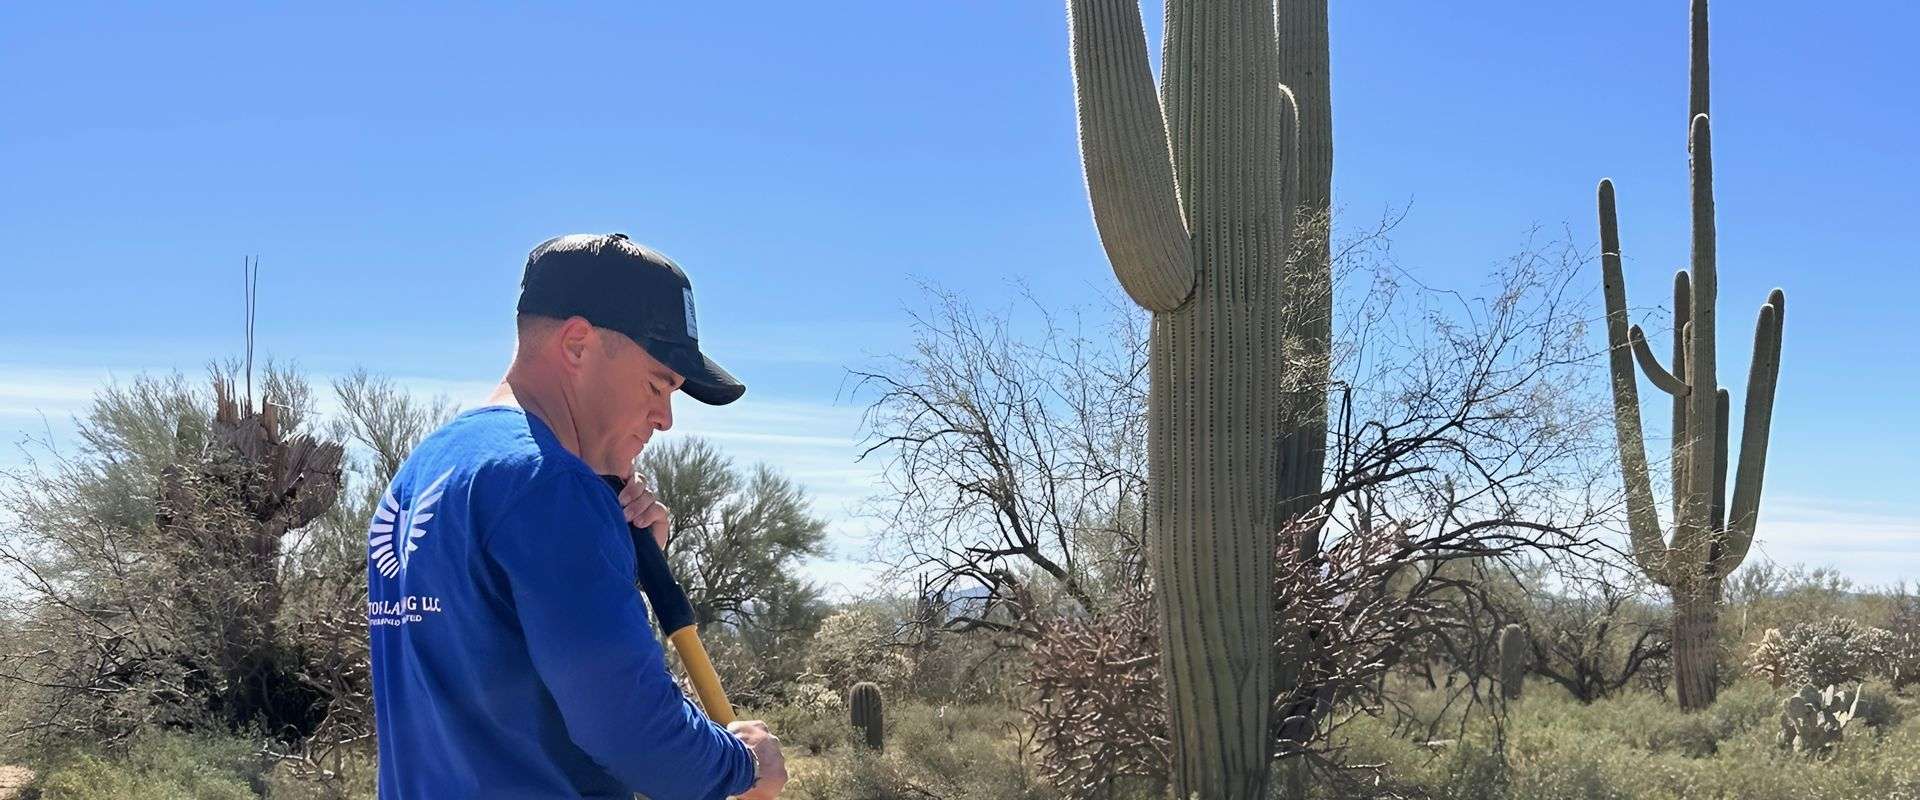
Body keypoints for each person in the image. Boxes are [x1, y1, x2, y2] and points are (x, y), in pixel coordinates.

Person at [366, 233, 788, 799]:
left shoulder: (425, 471)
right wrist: (743, 764)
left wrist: (615, 561)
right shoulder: (549, 485)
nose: (665, 419)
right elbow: (633, 729)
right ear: (577, 344)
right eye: (658, 383)